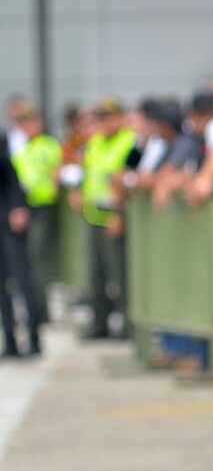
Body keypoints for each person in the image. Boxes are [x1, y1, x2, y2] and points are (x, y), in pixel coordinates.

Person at [75, 97, 138, 340]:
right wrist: (79, 192)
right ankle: (99, 323)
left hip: (115, 216)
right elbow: (90, 173)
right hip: (93, 215)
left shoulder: (129, 141)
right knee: (96, 274)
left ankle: (128, 325)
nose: (106, 123)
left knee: (120, 275)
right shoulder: (96, 142)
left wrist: (118, 215)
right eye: (103, 118)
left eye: (111, 117)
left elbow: (129, 180)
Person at [10, 103, 63, 325]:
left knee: (37, 261)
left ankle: (40, 312)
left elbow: (56, 176)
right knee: (25, 263)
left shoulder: (48, 146)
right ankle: (33, 309)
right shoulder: (23, 148)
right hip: (23, 208)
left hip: (42, 208)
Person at [0, 115, 40, 357]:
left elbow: (9, 174)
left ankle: (33, 340)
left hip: (8, 221)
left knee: (23, 281)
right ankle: (10, 342)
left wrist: (17, 207)